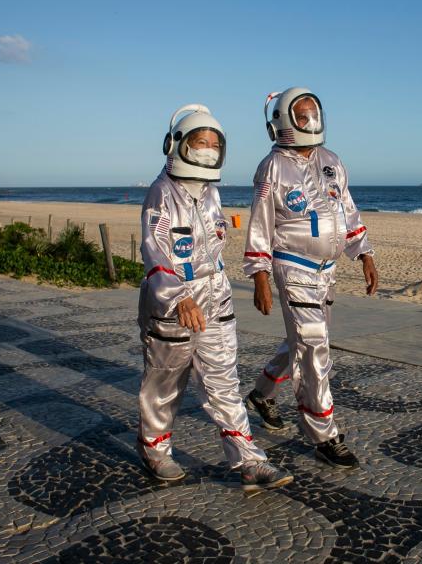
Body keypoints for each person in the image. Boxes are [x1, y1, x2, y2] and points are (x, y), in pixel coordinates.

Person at [137, 103, 292, 494]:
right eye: (198, 142)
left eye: (212, 143)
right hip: (172, 305)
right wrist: (178, 297)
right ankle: (154, 449)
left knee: (224, 380)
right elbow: (155, 249)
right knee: (165, 383)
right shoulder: (161, 194)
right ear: (177, 145)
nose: (206, 149)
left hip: (215, 300)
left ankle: (249, 460)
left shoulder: (210, 193)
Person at [243, 87, 378, 468]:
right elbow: (260, 222)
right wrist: (259, 275)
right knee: (315, 348)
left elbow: (347, 209)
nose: (311, 122)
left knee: (303, 340)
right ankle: (324, 434)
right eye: (303, 116)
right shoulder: (272, 168)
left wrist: (365, 253)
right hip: (293, 264)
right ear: (285, 121)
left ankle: (263, 392)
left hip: (327, 271)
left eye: (314, 113)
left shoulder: (332, 160)